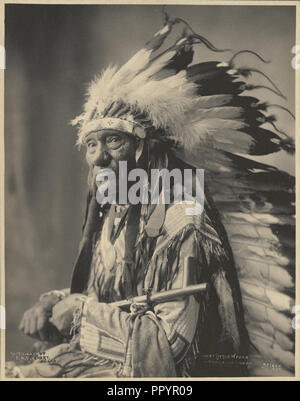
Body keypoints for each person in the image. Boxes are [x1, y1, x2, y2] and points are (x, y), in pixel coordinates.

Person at [8, 12, 295, 378]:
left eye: (114, 140)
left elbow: (172, 344)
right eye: (91, 144)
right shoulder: (115, 217)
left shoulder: (182, 220)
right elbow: (115, 303)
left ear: (149, 153)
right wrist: (53, 306)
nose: (100, 158)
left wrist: (80, 314)